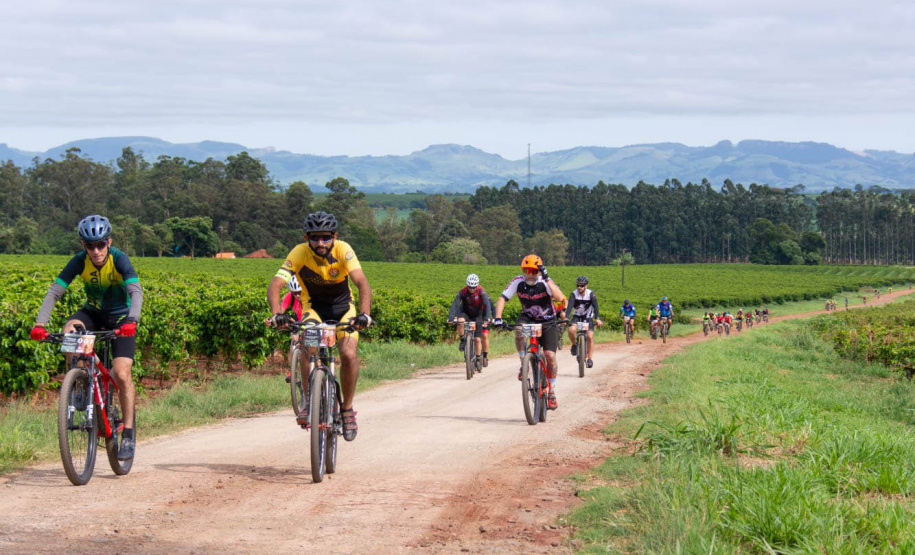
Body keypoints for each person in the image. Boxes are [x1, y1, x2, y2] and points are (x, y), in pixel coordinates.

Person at [30, 215, 142, 460]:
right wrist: (40, 323)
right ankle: (78, 381)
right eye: (90, 245)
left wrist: (132, 320)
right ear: (84, 245)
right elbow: (54, 292)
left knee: (122, 373)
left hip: (121, 318)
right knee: (70, 327)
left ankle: (129, 434)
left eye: (100, 244)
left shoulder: (120, 259)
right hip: (91, 313)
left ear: (108, 242)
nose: (96, 250)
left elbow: (135, 290)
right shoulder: (79, 261)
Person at [266, 211, 372, 441]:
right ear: (307, 238)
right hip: (314, 308)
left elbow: (362, 282)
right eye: (315, 238)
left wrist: (364, 314)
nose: (320, 243)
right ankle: (307, 400)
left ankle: (347, 409)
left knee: (348, 353)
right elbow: (275, 285)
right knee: (308, 347)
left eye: (325, 237)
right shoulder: (299, 252)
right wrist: (277, 314)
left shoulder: (344, 249)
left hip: (344, 308)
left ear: (334, 236)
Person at [493, 255, 565, 410]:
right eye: (527, 271)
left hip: (547, 320)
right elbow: (502, 298)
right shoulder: (517, 281)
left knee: (550, 356)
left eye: (534, 271)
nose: (530, 274)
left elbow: (559, 298)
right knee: (518, 330)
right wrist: (497, 317)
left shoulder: (545, 282)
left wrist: (546, 278)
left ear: (538, 272)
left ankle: (551, 392)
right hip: (528, 317)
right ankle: (523, 363)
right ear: (523, 270)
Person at [448, 273, 494, 368]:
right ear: (467, 285)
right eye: (470, 287)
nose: (471, 289)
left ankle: (478, 357)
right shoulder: (463, 291)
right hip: (467, 313)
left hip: (478, 315)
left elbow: (488, 304)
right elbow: (455, 303)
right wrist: (451, 317)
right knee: (460, 320)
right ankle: (462, 339)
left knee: (478, 339)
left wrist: (487, 318)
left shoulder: (481, 291)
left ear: (476, 286)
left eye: (473, 287)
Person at [566, 276, 603, 367]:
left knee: (590, 337)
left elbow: (596, 307)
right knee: (571, 330)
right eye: (578, 285)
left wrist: (597, 318)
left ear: (586, 286)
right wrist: (566, 317)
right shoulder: (573, 294)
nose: (579, 287)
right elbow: (569, 306)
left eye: (582, 286)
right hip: (577, 316)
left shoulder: (591, 294)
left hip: (588, 317)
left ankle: (589, 358)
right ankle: (574, 345)